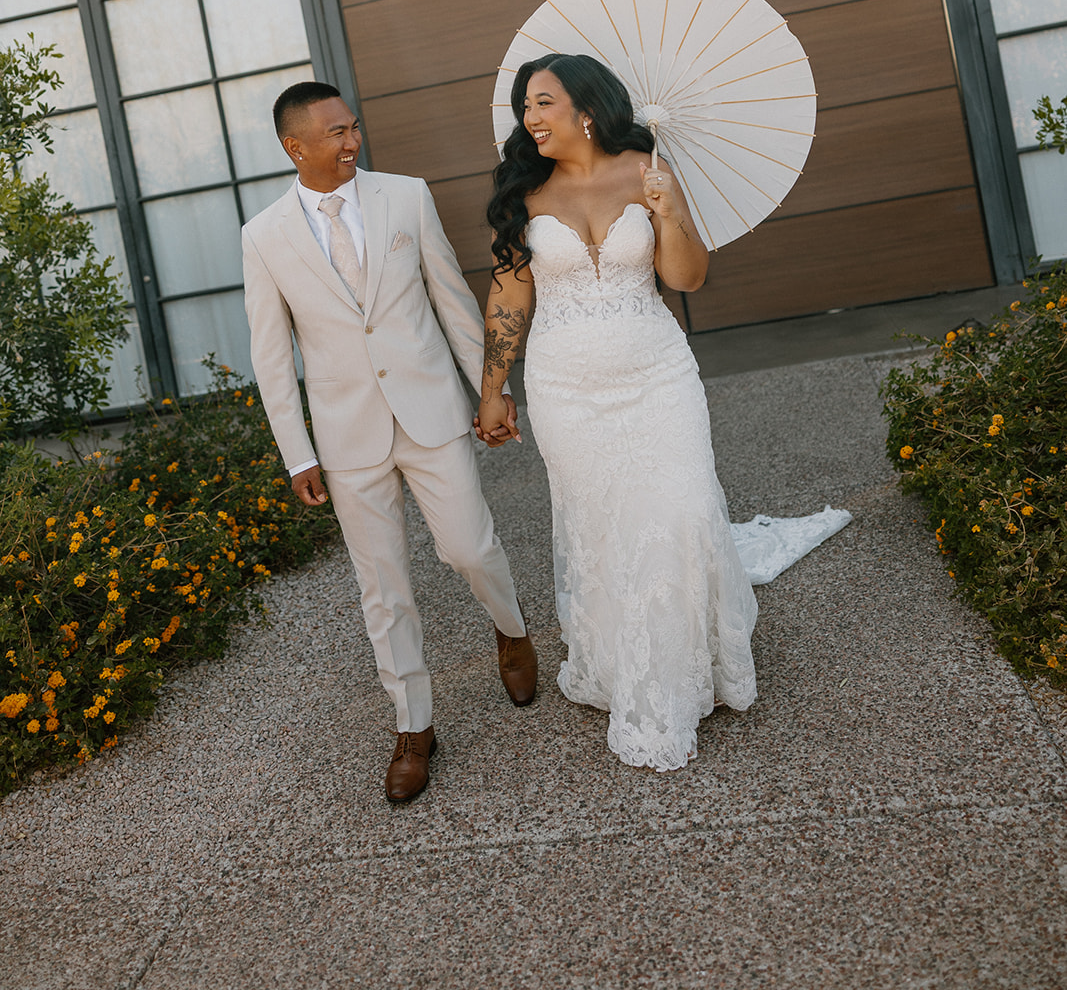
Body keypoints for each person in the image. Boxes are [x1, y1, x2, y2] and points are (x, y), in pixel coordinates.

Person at [242, 80, 537, 804]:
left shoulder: (405, 196)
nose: (352, 143)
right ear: (296, 147)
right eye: (336, 134)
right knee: (384, 590)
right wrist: (297, 453)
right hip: (346, 439)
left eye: (354, 128)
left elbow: (450, 298)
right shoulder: (264, 235)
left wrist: (489, 390)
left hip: (432, 411)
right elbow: (271, 355)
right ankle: (414, 726)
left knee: (469, 547)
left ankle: (511, 629)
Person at [478, 53, 757, 772]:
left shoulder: (647, 169)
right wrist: (491, 387)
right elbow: (509, 296)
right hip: (567, 389)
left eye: (541, 102)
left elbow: (684, 277)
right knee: (604, 527)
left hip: (658, 375)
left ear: (586, 109)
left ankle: (690, 666)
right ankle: (630, 669)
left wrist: (668, 214)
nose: (529, 118)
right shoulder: (524, 191)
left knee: (683, 508)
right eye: (524, 107)